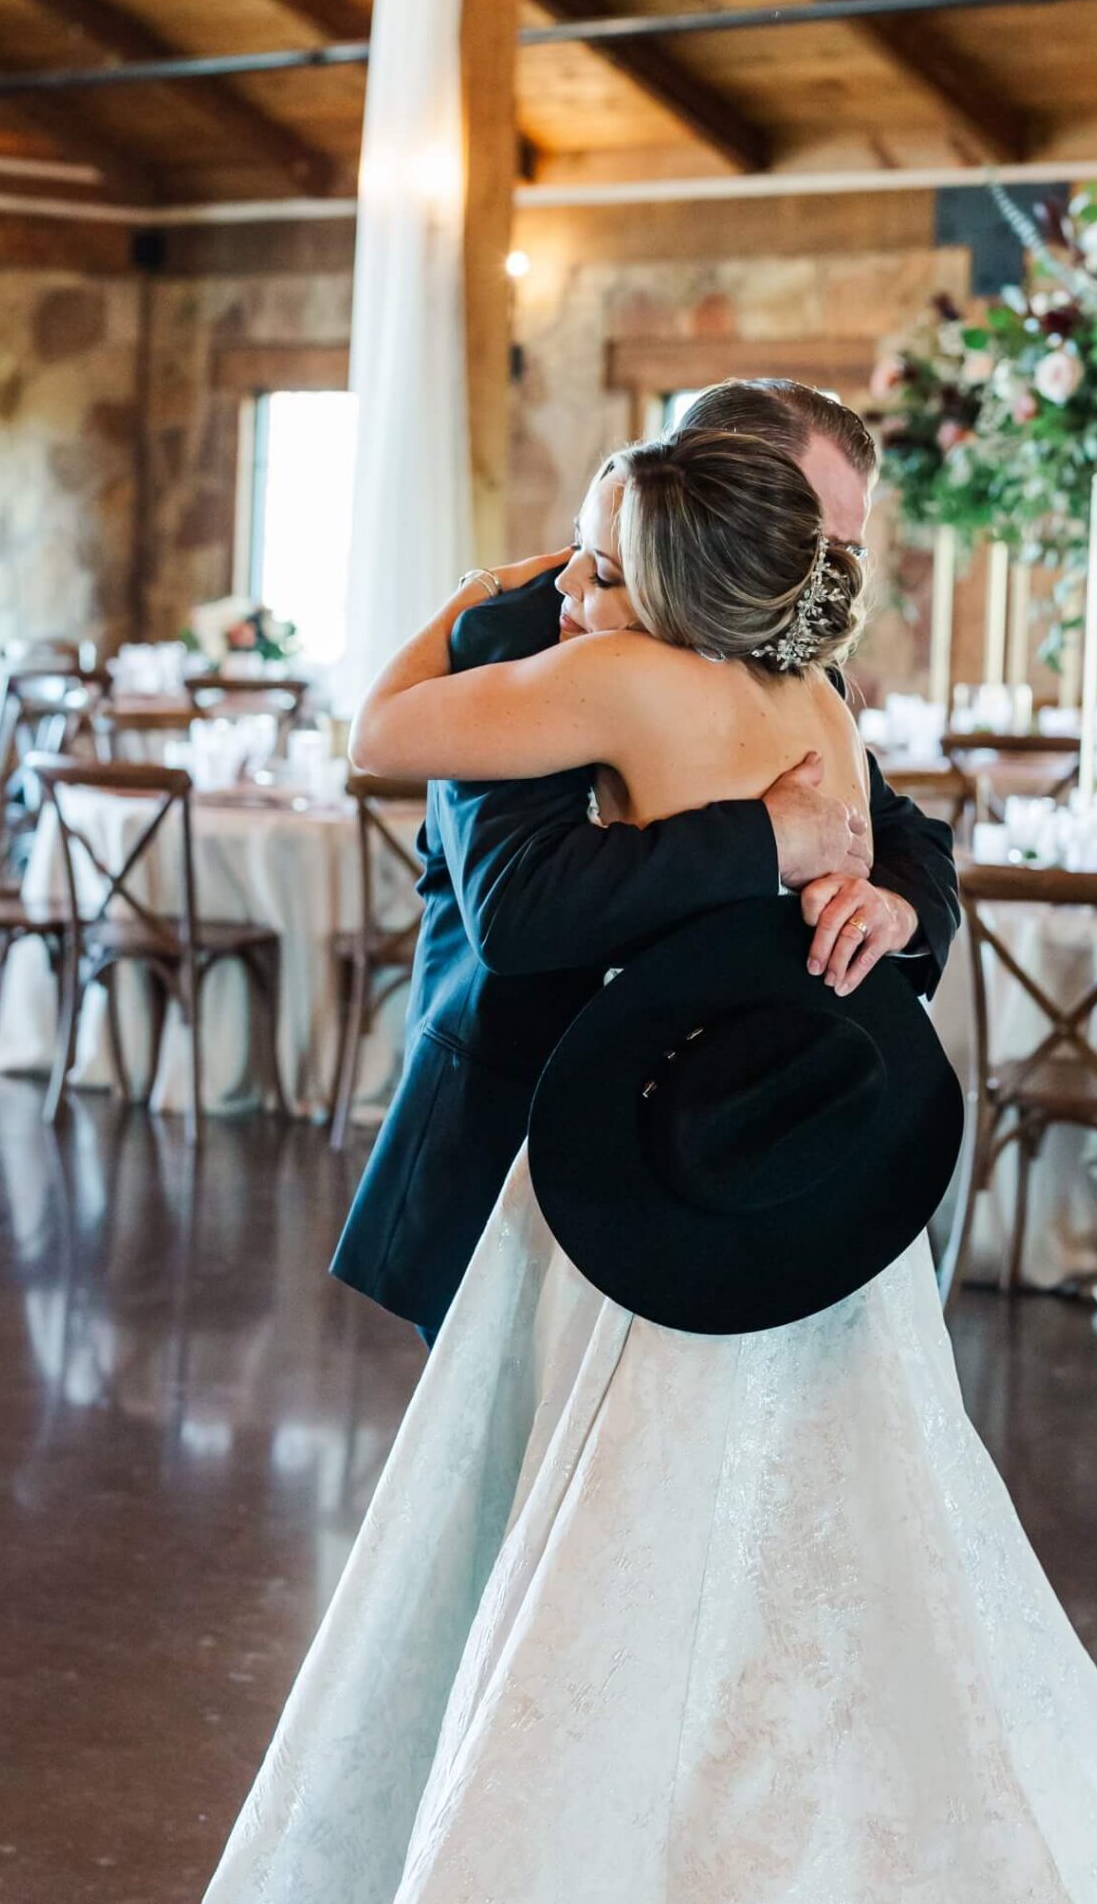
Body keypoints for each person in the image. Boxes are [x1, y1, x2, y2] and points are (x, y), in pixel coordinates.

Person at [146, 430, 1097, 1904]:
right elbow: (755, 859)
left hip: (643, 1180)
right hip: (811, 1206)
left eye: (606, 552)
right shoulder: (820, 696)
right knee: (856, 1549)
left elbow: (378, 730)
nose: (578, 575)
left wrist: (482, 601)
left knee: (606, 1546)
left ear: (659, 569)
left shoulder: (611, 678)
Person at [331, 378, 958, 1341]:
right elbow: (519, 907)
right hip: (527, 1128)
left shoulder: (785, 647)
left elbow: (896, 830)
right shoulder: (533, 636)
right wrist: (763, 842)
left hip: (743, 1123)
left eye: (842, 549)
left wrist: (898, 909)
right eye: (804, 527)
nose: (811, 568)